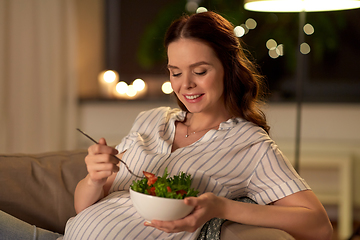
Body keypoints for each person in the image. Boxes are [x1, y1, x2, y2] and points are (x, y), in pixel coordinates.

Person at [0, 11, 333, 240]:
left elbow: (319, 226)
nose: (185, 85)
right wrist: (95, 177)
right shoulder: (152, 120)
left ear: (228, 68)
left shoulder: (250, 146)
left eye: (200, 71)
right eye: (176, 72)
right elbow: (82, 206)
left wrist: (220, 206)